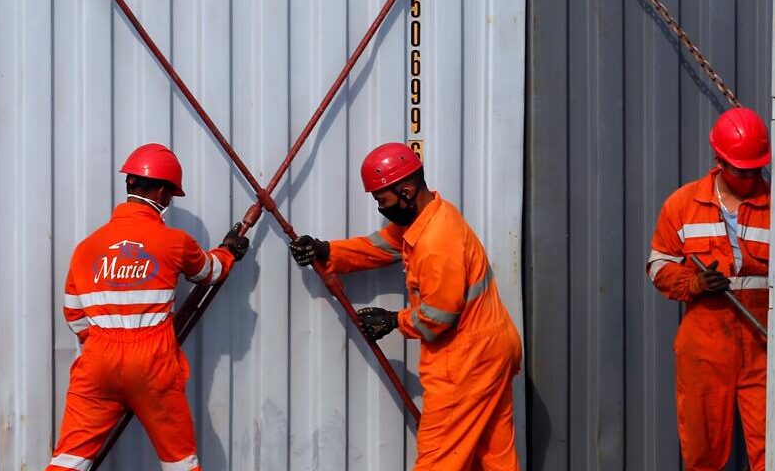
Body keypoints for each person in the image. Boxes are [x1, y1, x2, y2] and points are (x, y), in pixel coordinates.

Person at [288, 142, 523, 471]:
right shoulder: (432, 216)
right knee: (494, 456)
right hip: (492, 349)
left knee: (438, 460)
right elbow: (382, 245)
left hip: (466, 364)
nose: (380, 208)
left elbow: (438, 318)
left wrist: (392, 321)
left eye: (382, 200)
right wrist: (328, 251)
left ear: (406, 191)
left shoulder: (437, 243)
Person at [47, 143, 249, 471]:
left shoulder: (86, 248)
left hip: (97, 361)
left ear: (129, 183)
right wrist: (229, 251)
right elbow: (208, 272)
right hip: (152, 362)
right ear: (162, 192)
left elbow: (74, 314)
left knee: (68, 460)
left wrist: (103, 345)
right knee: (179, 462)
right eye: (170, 195)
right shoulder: (175, 242)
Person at [646, 107, 773, 470]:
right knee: (703, 449)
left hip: (764, 344)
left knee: (772, 446)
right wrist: (694, 283)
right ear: (720, 161)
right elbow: (658, 266)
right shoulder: (683, 205)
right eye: (741, 171)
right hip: (705, 345)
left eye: (756, 170)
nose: (750, 178)